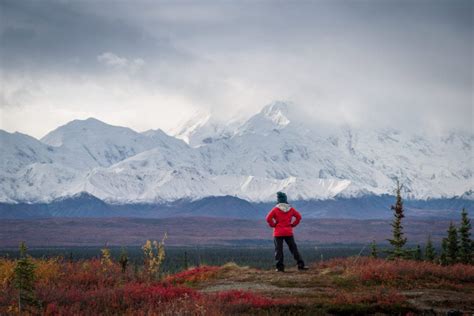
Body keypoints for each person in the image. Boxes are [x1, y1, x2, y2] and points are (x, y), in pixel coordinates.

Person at [266, 192, 308, 272]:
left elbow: (268, 218)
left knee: (279, 250)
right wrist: (293, 224)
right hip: (288, 232)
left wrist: (273, 225)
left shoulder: (275, 209)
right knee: (293, 249)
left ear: (278, 200)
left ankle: (280, 268)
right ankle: (301, 265)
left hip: (278, 232)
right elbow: (299, 217)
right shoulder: (291, 209)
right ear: (285, 199)